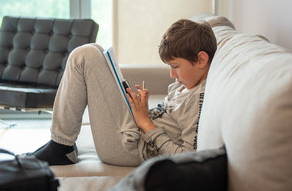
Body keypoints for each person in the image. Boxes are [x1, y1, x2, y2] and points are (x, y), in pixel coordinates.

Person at [27, 19, 217, 166]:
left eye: (175, 66)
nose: (171, 74)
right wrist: (141, 110)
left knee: (85, 56)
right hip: (134, 132)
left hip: (130, 148)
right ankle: (60, 143)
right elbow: (168, 119)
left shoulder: (198, 100)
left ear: (201, 60)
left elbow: (187, 157)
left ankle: (60, 146)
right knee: (96, 50)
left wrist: (146, 124)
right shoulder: (184, 84)